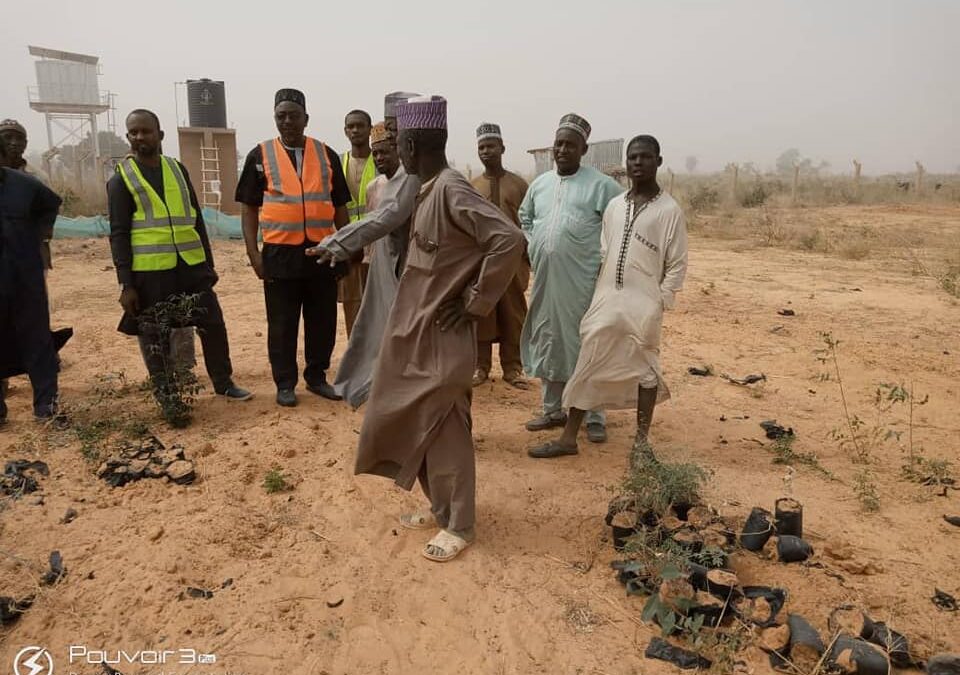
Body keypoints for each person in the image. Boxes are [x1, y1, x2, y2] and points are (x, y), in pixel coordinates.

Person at [354, 96, 524, 562]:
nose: (396, 151)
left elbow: (507, 239)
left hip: (443, 335)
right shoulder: (428, 188)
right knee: (417, 420)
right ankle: (441, 507)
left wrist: (475, 301)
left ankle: (460, 523)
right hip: (419, 331)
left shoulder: (451, 188)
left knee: (446, 425)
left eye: (397, 143)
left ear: (410, 144)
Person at [530, 135, 687, 458]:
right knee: (589, 356)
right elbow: (605, 250)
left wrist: (661, 301)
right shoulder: (615, 206)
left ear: (658, 161)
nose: (638, 163)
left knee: (645, 367)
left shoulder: (670, 211)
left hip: (644, 300)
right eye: (632, 158)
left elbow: (677, 263)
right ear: (626, 163)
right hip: (606, 295)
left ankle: (641, 443)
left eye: (645, 157)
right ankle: (569, 438)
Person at [107, 109, 252, 407]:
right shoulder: (122, 179)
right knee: (154, 335)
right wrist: (126, 284)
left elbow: (196, 219)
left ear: (159, 135)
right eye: (133, 132)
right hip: (151, 272)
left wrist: (208, 264)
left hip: (191, 266)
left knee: (212, 324)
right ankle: (168, 396)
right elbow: (119, 234)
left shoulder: (177, 170)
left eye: (145, 131)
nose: (139, 137)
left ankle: (223, 383)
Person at [237, 88, 351, 407]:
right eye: (281, 116)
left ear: (306, 119)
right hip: (279, 256)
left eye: (293, 115)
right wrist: (253, 254)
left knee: (322, 321)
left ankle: (316, 377)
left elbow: (340, 206)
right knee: (282, 324)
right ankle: (285, 383)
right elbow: (248, 208)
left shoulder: (327, 155)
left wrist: (346, 247)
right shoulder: (259, 155)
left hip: (322, 254)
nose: (287, 122)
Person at [520, 113, 623, 448]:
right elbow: (525, 217)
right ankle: (553, 410)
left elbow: (618, 226)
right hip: (547, 280)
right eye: (558, 144)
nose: (562, 150)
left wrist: (605, 267)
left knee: (586, 344)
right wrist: (534, 242)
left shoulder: (602, 186)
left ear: (584, 149)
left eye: (570, 145)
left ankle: (594, 416)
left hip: (584, 283)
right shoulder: (540, 184)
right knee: (550, 340)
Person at [309, 118, 417, 408]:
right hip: (377, 261)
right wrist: (364, 256)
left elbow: (387, 218)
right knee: (372, 324)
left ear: (399, 150)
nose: (380, 158)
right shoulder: (375, 186)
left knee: (405, 329)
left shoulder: (411, 180)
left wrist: (339, 242)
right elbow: (373, 225)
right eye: (376, 152)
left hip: (409, 266)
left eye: (385, 152)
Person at [0, 138, 65, 426]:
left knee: (37, 340)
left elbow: (50, 204)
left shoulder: (24, 185)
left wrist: (40, 236)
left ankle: (46, 406)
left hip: (25, 277)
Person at [470, 123, 530, 388]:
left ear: (502, 148)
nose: (486, 152)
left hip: (514, 261)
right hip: (483, 260)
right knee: (482, 311)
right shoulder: (472, 186)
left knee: (513, 312)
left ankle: (513, 367)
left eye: (491, 146)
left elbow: (529, 222)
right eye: (482, 147)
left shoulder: (519, 185)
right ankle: (480, 367)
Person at [338, 109, 377, 337]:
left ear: (369, 129)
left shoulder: (381, 160)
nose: (355, 130)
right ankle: (357, 359)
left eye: (360, 125)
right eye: (351, 126)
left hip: (378, 247)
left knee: (379, 304)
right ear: (345, 131)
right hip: (350, 249)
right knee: (352, 305)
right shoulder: (339, 163)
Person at [0, 119, 52, 272]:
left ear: (25, 144)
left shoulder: (38, 178)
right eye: (7, 137)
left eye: (19, 138)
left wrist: (44, 245)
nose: (14, 143)